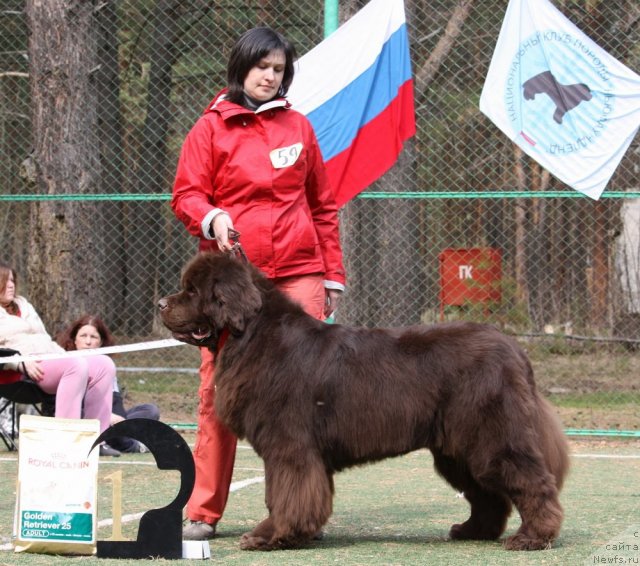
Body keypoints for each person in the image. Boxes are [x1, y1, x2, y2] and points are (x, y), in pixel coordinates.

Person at [171, 26, 346, 540]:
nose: (270, 77)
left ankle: (298, 511)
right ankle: (203, 511)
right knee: (219, 394)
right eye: (262, 67)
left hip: (299, 273)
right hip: (233, 289)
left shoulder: (299, 127)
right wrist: (213, 218)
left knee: (309, 391)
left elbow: (322, 205)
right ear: (242, 67)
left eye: (279, 69)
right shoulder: (210, 128)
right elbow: (186, 195)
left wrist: (331, 272)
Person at [0, 262, 119, 456]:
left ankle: (96, 442)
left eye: (13, 280)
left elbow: (44, 338)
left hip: (50, 357)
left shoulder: (24, 304)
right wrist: (19, 362)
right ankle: (66, 442)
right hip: (20, 371)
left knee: (103, 364)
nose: (12, 285)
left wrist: (64, 355)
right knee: (75, 365)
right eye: (6, 281)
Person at [57, 314, 160, 453]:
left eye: (93, 337)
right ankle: (135, 445)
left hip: (108, 422)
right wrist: (108, 417)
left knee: (150, 411)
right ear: (74, 339)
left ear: (100, 342)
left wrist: (117, 420)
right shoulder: (66, 363)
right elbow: (66, 406)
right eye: (83, 336)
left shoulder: (106, 366)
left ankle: (120, 437)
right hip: (80, 420)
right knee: (112, 430)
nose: (88, 342)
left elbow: (116, 404)